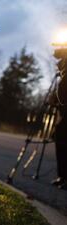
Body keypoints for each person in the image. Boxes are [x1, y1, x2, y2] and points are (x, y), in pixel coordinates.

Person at [50, 56, 67, 190]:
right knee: (60, 145)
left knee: (62, 145)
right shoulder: (63, 78)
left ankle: (64, 177)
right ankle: (62, 177)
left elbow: (62, 98)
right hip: (63, 117)